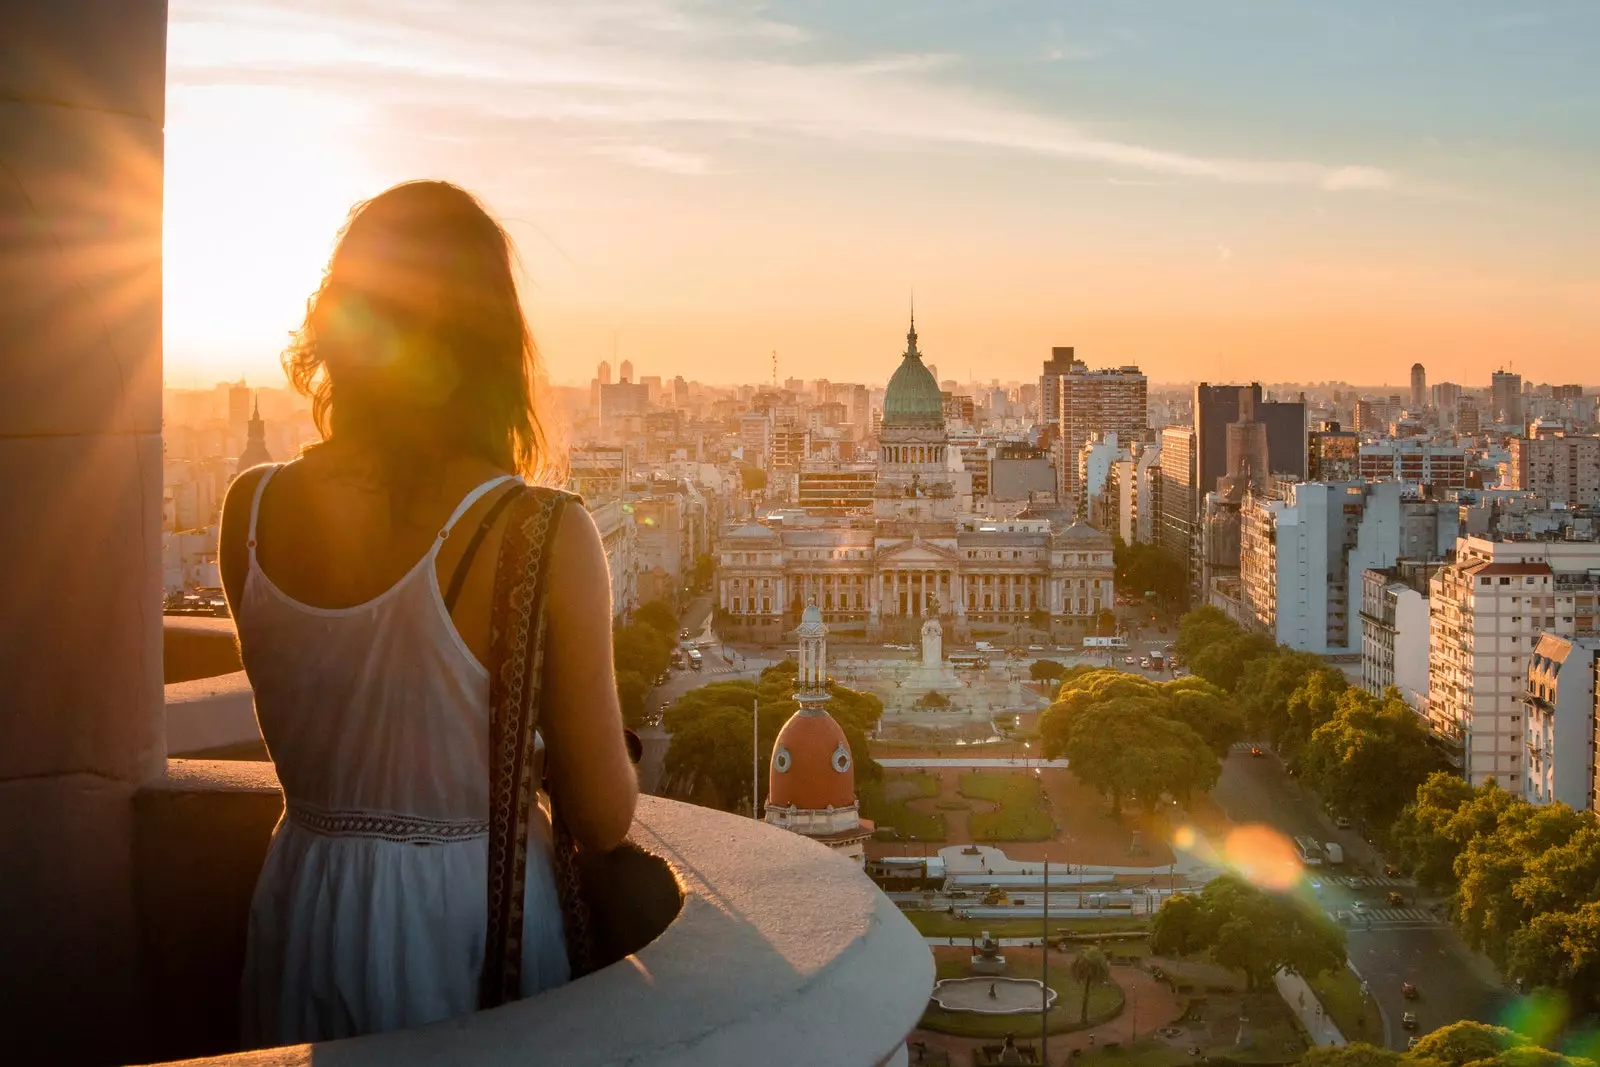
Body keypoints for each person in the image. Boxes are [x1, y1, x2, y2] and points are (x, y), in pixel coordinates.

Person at [222, 181, 638, 1047]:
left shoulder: (248, 511)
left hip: (303, 901)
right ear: (490, 342)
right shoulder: (542, 532)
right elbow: (602, 815)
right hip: (471, 924)